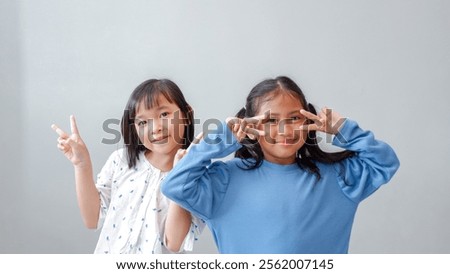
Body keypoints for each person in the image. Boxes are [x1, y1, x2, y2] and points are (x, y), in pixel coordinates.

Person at [162, 76, 400, 254]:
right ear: (252, 126)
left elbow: (385, 161)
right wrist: (226, 139)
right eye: (271, 120)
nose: (284, 130)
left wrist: (343, 129)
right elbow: (174, 186)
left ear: (308, 120)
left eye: (294, 118)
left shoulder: (338, 178)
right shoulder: (224, 180)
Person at [51, 78, 204, 254]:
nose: (155, 128)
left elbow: (174, 242)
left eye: (164, 115)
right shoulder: (120, 160)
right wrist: (81, 164)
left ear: (187, 114)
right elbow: (92, 219)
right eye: (143, 122)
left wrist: (180, 174)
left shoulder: (198, 177)